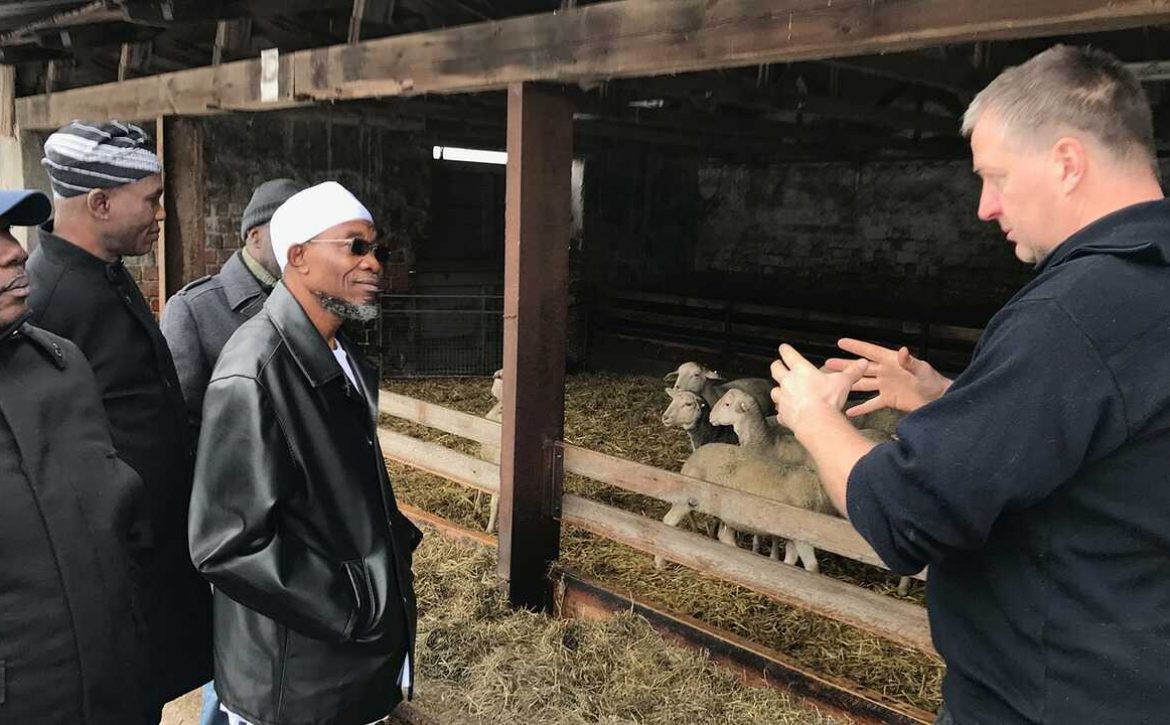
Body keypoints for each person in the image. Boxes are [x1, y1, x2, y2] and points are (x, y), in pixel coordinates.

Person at [770, 45, 1170, 725]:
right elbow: (1111, 443)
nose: (985, 206)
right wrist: (953, 399)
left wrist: (811, 416)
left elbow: (903, 516)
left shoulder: (1070, 314)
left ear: (1067, 163)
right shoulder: (1149, 284)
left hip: (1043, 699)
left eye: (996, 176)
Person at [189, 181, 422, 725]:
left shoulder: (340, 355)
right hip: (296, 679)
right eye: (354, 246)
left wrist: (392, 544)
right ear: (298, 256)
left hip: (342, 663)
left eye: (378, 250)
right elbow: (226, 545)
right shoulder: (254, 373)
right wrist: (356, 601)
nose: (374, 264)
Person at [25, 120, 212, 711]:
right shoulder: (47, 302)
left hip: (151, 555)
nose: (161, 216)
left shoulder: (107, 275)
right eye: (152, 201)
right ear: (100, 203)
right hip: (113, 570)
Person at [0, 189, 154, 723]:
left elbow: (120, 516)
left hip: (117, 693)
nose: (15, 252)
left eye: (7, 234)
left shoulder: (62, 366)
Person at [160, 177, 306, 725]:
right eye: (289, 230)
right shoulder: (196, 310)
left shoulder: (314, 302)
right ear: (254, 236)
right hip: (237, 515)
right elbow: (182, 424)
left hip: (299, 510)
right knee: (237, 639)